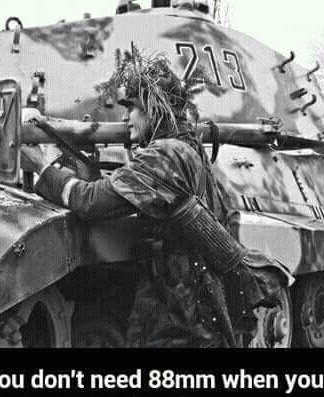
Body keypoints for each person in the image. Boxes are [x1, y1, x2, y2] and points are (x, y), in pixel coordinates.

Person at [21, 48, 294, 348]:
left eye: (133, 108)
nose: (125, 117)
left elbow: (90, 202)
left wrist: (41, 166)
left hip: (181, 303)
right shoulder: (188, 147)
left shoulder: (165, 155)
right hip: (193, 293)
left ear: (154, 109)